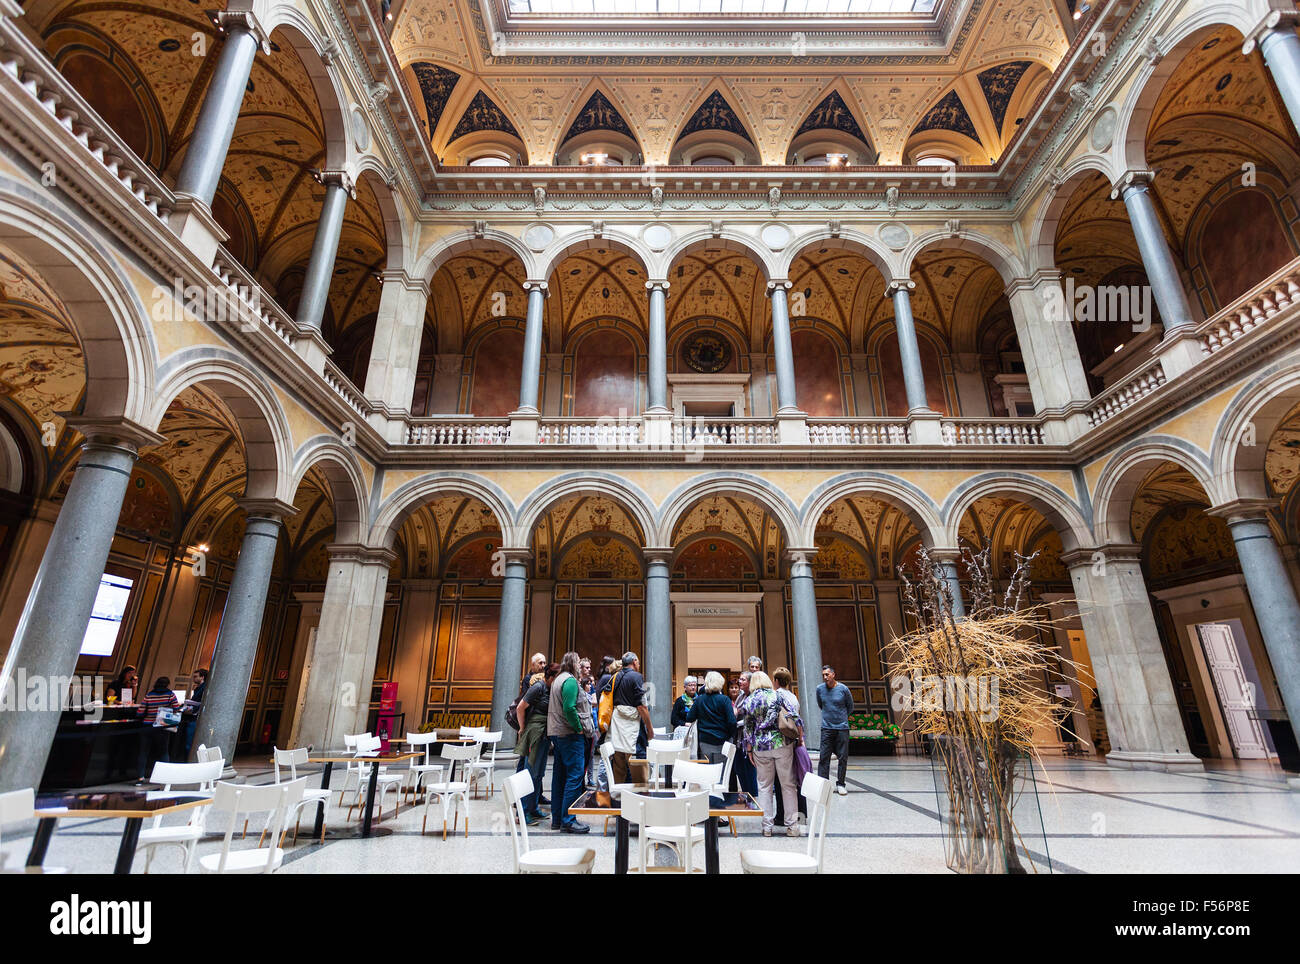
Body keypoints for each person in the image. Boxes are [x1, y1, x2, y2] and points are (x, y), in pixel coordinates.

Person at [740, 671, 803, 837]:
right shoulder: (777, 696)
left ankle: (767, 827)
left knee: (764, 786)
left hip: (760, 748)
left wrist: (749, 749)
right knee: (788, 785)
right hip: (781, 744)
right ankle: (792, 826)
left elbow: (748, 729)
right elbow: (794, 717)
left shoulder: (749, 700)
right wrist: (800, 738)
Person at [547, 651, 591, 833]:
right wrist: (578, 727)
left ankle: (557, 818)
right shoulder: (570, 681)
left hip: (557, 733)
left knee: (559, 777)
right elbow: (569, 707)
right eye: (579, 662)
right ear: (573, 663)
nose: (580, 666)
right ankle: (568, 820)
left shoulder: (558, 679)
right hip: (569, 733)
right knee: (575, 776)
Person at [515, 662, 558, 824]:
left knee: (539, 774)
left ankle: (533, 808)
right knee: (530, 772)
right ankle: (523, 812)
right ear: (551, 677)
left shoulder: (550, 689)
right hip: (534, 732)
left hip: (544, 733)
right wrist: (522, 728)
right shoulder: (538, 687)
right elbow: (520, 707)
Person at [608, 651, 654, 785]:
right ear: (634, 661)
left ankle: (617, 799)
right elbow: (641, 706)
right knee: (638, 765)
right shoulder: (636, 677)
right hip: (631, 728)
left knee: (618, 766)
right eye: (638, 662)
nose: (639, 665)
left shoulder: (615, 677)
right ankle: (640, 797)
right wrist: (650, 729)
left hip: (616, 726)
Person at [816, 664, 854, 795]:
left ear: (833, 674)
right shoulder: (819, 689)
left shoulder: (843, 689)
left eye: (827, 675)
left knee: (843, 757)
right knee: (824, 758)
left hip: (842, 728)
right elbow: (821, 705)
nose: (825, 677)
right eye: (823, 675)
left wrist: (841, 718)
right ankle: (824, 786)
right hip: (827, 728)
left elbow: (850, 706)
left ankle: (841, 784)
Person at [686, 671, 736, 766]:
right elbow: (732, 722)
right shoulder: (725, 699)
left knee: (707, 772)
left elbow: (689, 717)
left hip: (705, 742)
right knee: (721, 771)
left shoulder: (699, 700)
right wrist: (731, 735)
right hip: (723, 741)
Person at [137, 676, 180, 784]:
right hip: (161, 726)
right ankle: (164, 777)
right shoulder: (170, 695)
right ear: (167, 684)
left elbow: (140, 712)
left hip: (147, 726)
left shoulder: (150, 695)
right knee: (163, 752)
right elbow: (176, 709)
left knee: (143, 752)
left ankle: (140, 777)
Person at [730, 671, 758, 794]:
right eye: (740, 679)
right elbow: (735, 712)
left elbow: (752, 717)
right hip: (738, 739)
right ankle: (746, 795)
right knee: (739, 768)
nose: (740, 681)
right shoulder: (741, 696)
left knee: (750, 770)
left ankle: (753, 798)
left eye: (743, 680)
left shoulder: (754, 696)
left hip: (749, 738)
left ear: (750, 682)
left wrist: (737, 721)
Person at [181, 667, 208, 759]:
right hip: (193, 715)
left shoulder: (204, 688)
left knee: (190, 742)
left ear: (202, 677)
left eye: (196, 676)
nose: (194, 678)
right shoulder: (199, 688)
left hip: (195, 717)